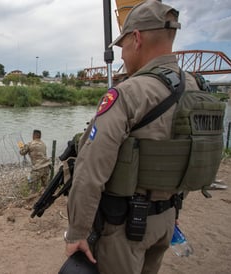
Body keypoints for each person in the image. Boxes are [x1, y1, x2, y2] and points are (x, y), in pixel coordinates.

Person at [64, 1, 194, 273]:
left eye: (121, 46)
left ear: (136, 38)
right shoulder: (194, 87)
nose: (121, 56)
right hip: (168, 219)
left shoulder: (129, 93)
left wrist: (77, 232)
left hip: (126, 226)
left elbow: (91, 169)